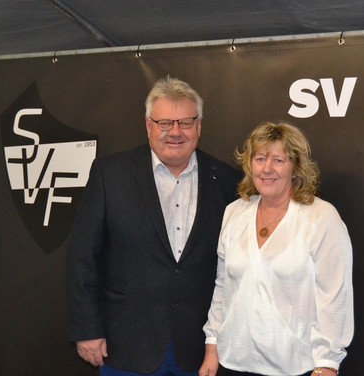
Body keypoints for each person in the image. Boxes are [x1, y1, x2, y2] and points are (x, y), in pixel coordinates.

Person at [66, 76, 242, 376]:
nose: (175, 132)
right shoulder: (110, 175)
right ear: (148, 126)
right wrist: (87, 329)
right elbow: (82, 257)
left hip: (200, 351)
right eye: (164, 123)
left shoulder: (227, 181)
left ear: (199, 127)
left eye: (185, 122)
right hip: (126, 347)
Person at [200, 121, 354, 376]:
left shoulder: (321, 217)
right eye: (260, 159)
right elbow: (223, 287)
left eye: (278, 160)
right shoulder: (234, 213)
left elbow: (334, 298)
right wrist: (212, 345)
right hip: (233, 363)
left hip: (295, 368)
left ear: (295, 167)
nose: (267, 169)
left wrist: (327, 364)